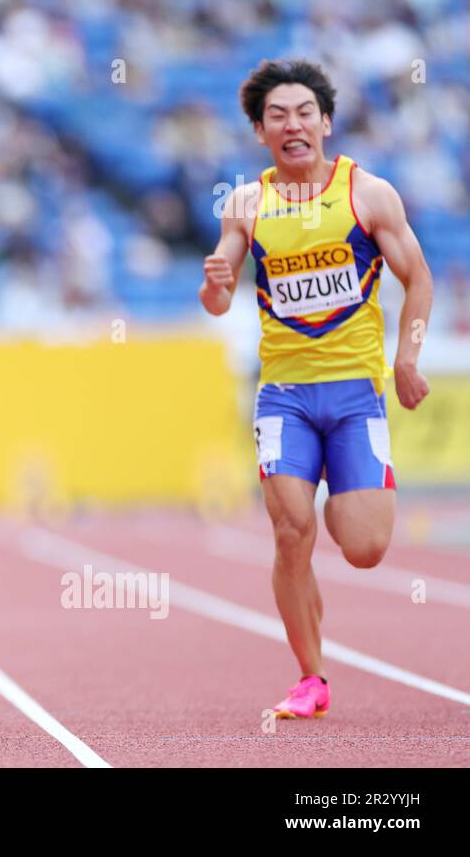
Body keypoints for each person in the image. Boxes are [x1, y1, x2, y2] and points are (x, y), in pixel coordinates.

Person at [200, 59, 433, 717]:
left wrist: (407, 359)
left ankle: (341, 500)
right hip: (285, 396)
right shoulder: (246, 205)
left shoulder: (369, 194)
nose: (292, 124)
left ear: (325, 122)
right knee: (288, 533)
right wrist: (216, 282)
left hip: (356, 392)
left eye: (304, 112)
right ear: (260, 132)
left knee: (363, 548)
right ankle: (312, 677)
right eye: (278, 115)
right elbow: (217, 303)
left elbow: (419, 280)